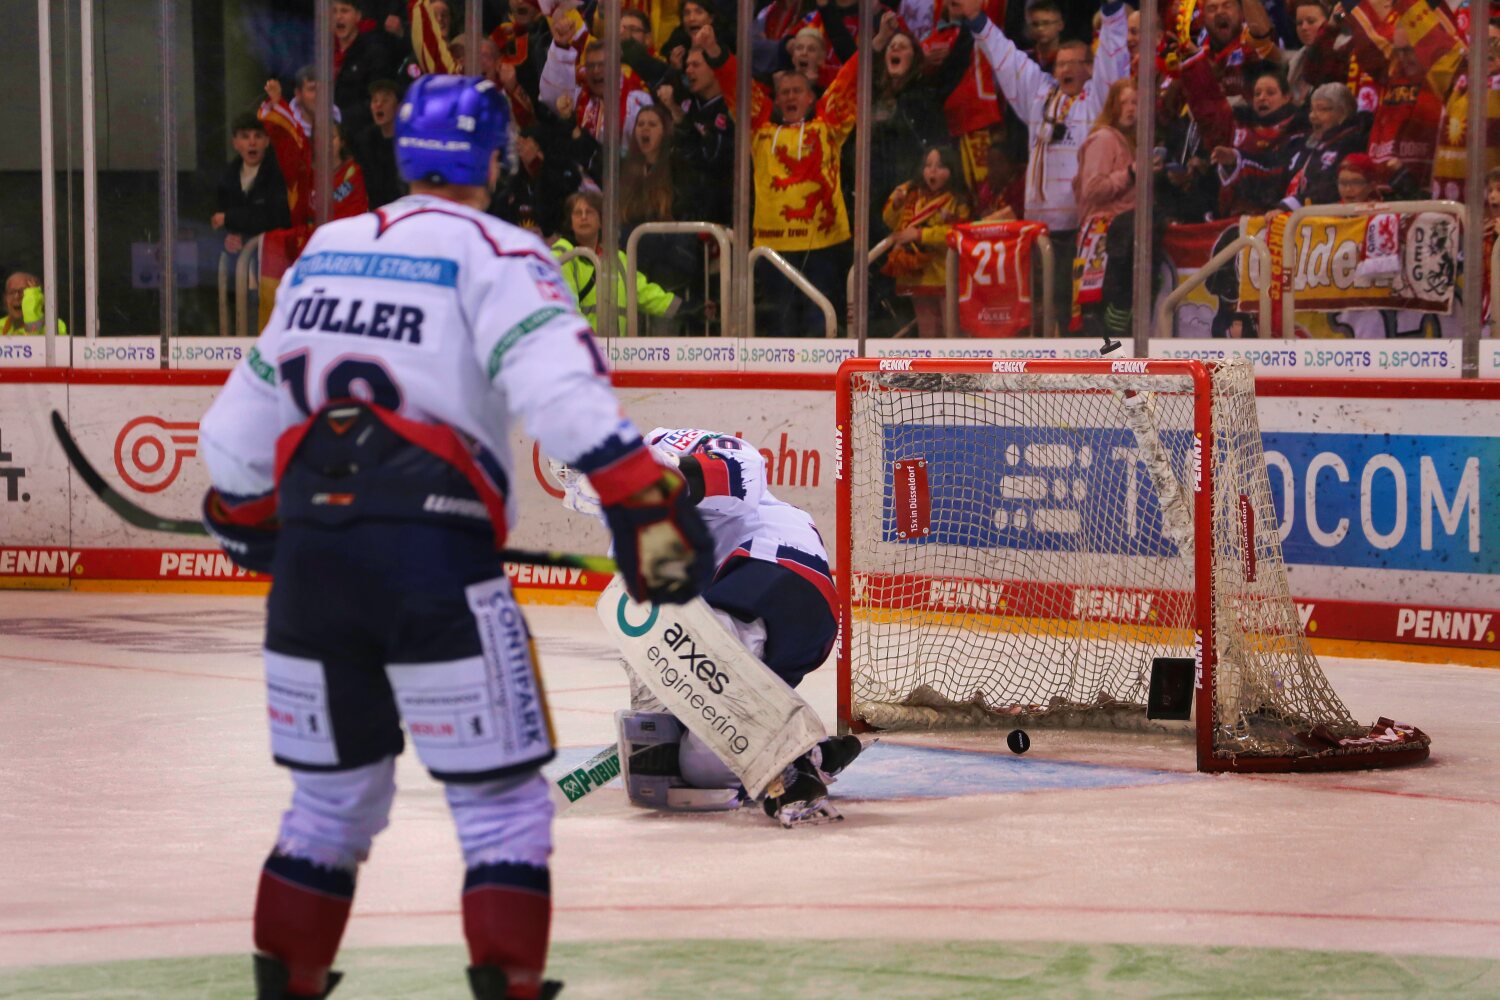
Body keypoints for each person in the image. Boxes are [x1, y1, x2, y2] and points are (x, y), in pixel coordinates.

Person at [196, 74, 713, 1000]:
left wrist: (246, 519)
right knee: (502, 808)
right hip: (436, 563)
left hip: (312, 569)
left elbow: (237, 436)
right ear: (496, 158)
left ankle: (288, 988)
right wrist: (642, 504)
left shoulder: (328, 249)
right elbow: (561, 392)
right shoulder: (502, 254)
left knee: (327, 804)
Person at [552, 427, 863, 826]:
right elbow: (652, 633)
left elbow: (745, 471)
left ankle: (789, 770)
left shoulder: (665, 444)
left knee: (712, 750)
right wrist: (662, 725)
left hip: (766, 571)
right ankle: (812, 754)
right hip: (790, 634)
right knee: (701, 770)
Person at [552, 190, 685, 335]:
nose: (583, 217)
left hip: (615, 352)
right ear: (570, 222)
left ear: (601, 221)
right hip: (580, 350)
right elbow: (566, 304)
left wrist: (682, 308)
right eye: (578, 213)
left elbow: (643, 292)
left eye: (589, 212)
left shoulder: (617, 258)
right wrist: (588, 341)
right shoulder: (561, 255)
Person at [882, 146, 973, 337]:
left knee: (951, 330)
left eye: (939, 166)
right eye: (928, 165)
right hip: (916, 272)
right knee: (927, 331)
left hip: (945, 273)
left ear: (952, 170)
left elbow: (958, 232)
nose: (932, 171)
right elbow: (891, 222)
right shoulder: (912, 194)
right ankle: (929, 368)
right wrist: (896, 204)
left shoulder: (958, 199)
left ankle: (953, 367)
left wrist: (920, 235)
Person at [212, 113, 293, 255]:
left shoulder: (278, 174)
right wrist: (226, 239)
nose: (252, 142)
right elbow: (215, 220)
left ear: (267, 141)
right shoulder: (226, 177)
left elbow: (274, 218)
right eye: (245, 136)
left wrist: (230, 218)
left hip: (273, 257)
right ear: (235, 143)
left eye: (258, 136)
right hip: (236, 264)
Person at [1, 271, 67, 336]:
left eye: (24, 292)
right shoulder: (1, 325)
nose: (17, 296)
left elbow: (34, 337)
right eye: (12, 292)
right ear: (5, 299)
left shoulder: (53, 325)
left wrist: (32, 300)